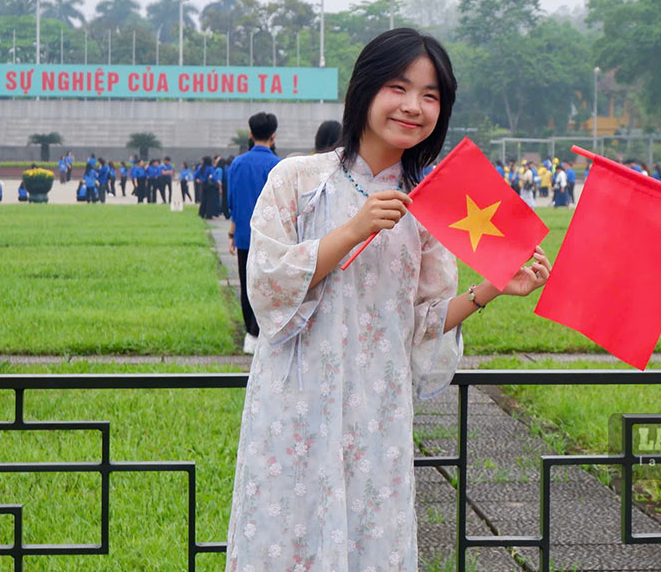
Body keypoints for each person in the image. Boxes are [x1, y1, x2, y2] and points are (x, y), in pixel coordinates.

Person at [224, 28, 551, 572]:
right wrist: (350, 232)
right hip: (296, 407)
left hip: (377, 412)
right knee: (288, 539)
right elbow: (266, 286)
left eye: (430, 96)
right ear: (366, 91)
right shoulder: (299, 180)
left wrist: (492, 287)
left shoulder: (428, 205)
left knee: (371, 544)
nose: (413, 107)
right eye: (399, 87)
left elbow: (423, 324)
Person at [226, 111, 280, 354]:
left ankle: (251, 334)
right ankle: (266, 330)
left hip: (245, 237)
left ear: (250, 133)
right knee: (270, 284)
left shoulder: (237, 164)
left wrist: (231, 233)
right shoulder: (278, 165)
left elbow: (232, 201)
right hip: (273, 238)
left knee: (247, 283)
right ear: (273, 136)